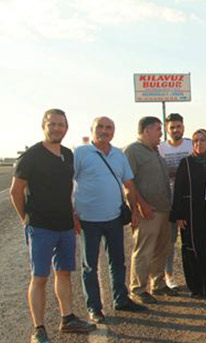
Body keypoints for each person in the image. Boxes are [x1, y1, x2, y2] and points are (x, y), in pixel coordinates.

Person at [10, 109, 96, 343]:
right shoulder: (32, 156)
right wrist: (25, 218)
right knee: (39, 278)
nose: (57, 128)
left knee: (64, 273)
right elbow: (16, 191)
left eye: (61, 124)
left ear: (66, 127)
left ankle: (67, 318)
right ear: (43, 126)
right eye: (52, 124)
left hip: (65, 226)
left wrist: (72, 215)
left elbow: (66, 189)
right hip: (40, 226)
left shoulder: (67, 155)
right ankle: (39, 330)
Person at [73, 117, 147, 324]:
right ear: (92, 130)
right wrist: (72, 213)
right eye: (101, 127)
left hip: (114, 218)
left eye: (109, 128)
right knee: (90, 266)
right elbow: (67, 182)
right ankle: (94, 308)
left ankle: (121, 299)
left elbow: (129, 184)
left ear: (114, 132)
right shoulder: (80, 153)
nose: (105, 131)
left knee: (118, 262)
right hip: (88, 220)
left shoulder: (118, 155)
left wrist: (134, 211)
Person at [124, 116, 176, 304]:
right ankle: (138, 288)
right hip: (148, 211)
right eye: (158, 129)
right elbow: (128, 182)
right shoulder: (133, 151)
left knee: (162, 249)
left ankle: (158, 284)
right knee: (144, 250)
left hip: (163, 209)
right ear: (146, 131)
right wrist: (140, 204)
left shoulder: (154, 151)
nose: (161, 134)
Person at [172, 129, 206, 299]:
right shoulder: (186, 163)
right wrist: (178, 215)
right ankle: (196, 287)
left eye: (202, 140)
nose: (198, 144)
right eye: (195, 141)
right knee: (192, 249)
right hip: (191, 214)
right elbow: (178, 189)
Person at [159, 113, 194, 291]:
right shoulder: (160, 148)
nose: (175, 130)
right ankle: (169, 275)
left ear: (183, 127)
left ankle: (194, 276)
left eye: (178, 126)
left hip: (190, 201)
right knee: (169, 242)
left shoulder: (191, 145)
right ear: (167, 129)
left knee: (191, 240)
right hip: (169, 201)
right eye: (172, 127)